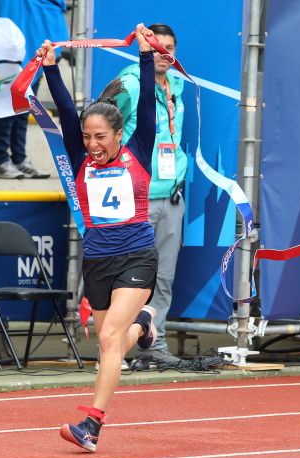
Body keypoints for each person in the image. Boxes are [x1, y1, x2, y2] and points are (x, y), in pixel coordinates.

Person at [38, 23, 158, 453]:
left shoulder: (139, 146)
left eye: (100, 137)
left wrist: (145, 57)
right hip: (98, 260)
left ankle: (92, 424)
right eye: (87, 137)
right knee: (112, 339)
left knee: (108, 341)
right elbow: (66, 113)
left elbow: (147, 103)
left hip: (137, 255)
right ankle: (144, 326)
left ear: (118, 135)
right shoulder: (79, 153)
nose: (92, 144)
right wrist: (51, 69)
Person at [115, 23, 187, 369]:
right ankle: (113, 346)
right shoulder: (130, 83)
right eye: (157, 46)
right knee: (126, 275)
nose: (164, 52)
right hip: (136, 199)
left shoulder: (177, 87)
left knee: (164, 278)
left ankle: (152, 349)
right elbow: (100, 125)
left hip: (171, 197)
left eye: (169, 47)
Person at [0, 0, 67, 179]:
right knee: (8, 106)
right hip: (10, 48)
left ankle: (19, 158)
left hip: (36, 43)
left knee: (25, 107)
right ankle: (0, 160)